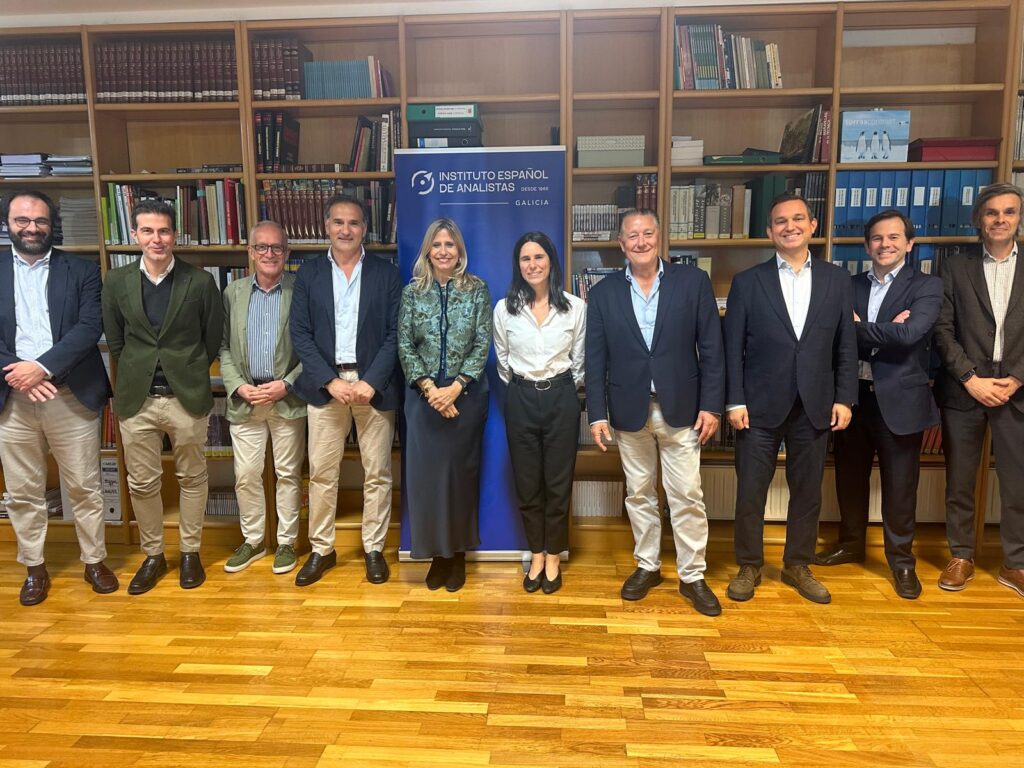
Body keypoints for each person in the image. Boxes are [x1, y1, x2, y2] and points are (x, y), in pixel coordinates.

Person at [585, 208, 725, 616]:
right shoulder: (604, 293)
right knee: (639, 493)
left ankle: (692, 575)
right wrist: (597, 414)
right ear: (621, 243)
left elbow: (712, 349)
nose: (641, 241)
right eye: (632, 235)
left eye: (647, 233)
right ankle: (647, 565)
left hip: (682, 409)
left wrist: (712, 405)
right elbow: (595, 358)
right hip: (629, 410)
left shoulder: (692, 282)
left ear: (659, 237)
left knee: (686, 494)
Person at [724, 192, 857, 605]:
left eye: (798, 219)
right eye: (781, 221)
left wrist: (845, 398)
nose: (790, 227)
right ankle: (749, 564)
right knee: (750, 491)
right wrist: (734, 400)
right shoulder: (748, 282)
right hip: (757, 406)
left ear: (812, 225)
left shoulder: (837, 280)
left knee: (808, 491)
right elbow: (732, 348)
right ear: (770, 231)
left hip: (815, 404)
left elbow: (845, 345)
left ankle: (797, 564)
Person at [816, 209, 941, 600]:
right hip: (852, 397)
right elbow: (833, 337)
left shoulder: (927, 286)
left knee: (900, 486)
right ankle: (851, 545)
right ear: (867, 245)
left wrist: (858, 328)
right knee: (849, 478)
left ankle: (901, 562)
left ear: (909, 244)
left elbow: (910, 334)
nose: (885, 244)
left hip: (900, 400)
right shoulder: (847, 284)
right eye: (877, 238)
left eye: (893, 237)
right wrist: (886, 330)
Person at [101, 198, 224, 594]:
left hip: (185, 397)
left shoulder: (199, 282)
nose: (157, 239)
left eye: (164, 231)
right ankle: (153, 555)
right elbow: (116, 342)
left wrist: (187, 369)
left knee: (193, 476)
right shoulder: (116, 282)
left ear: (175, 235)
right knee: (142, 483)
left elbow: (211, 338)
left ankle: (190, 553)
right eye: (148, 231)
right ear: (135, 234)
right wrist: (139, 370)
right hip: (136, 399)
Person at [0, 190, 116, 605]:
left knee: (84, 486)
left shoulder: (82, 270)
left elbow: (89, 328)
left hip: (68, 394)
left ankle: (94, 561)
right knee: (22, 491)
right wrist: (21, 374)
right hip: (12, 397)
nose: (32, 228)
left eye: (40, 221)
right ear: (8, 223)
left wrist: (42, 368)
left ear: (52, 225)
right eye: (22, 220)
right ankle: (34, 568)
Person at [290, 194, 401, 587]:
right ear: (326, 226)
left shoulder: (387, 274)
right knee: (322, 473)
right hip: (326, 388)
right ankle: (322, 549)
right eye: (338, 222)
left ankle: (374, 548)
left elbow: (395, 333)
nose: (346, 230)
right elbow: (300, 334)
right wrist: (329, 380)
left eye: (354, 223)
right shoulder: (309, 273)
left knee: (378, 473)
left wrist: (372, 380)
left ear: (364, 228)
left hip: (374, 388)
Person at [933, 182, 1024, 598]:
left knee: (1017, 482)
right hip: (964, 390)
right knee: (960, 480)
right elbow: (942, 329)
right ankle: (961, 556)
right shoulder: (955, 266)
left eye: (1009, 212)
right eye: (992, 212)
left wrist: (1017, 377)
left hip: (1016, 391)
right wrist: (970, 378)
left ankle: (1015, 562)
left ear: (1018, 218)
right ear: (978, 219)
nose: (1000, 219)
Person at [398, 217, 492, 593]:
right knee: (428, 482)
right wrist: (429, 389)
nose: (443, 251)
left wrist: (454, 388)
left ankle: (457, 556)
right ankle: (437, 556)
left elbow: (482, 342)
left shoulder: (476, 289)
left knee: (459, 480)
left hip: (464, 398)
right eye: (436, 245)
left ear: (459, 250)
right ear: (427, 251)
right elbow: (404, 343)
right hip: (422, 400)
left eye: (449, 245)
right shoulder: (412, 292)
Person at [494, 231, 585, 594]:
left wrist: (559, 386)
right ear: (518, 265)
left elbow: (580, 361)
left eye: (539, 257)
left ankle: (554, 557)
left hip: (562, 396)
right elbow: (502, 361)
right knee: (528, 483)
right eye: (525, 259)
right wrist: (525, 386)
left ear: (551, 262)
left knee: (558, 484)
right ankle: (536, 554)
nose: (532, 265)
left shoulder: (575, 307)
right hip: (520, 397)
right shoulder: (504, 309)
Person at [219, 221, 306, 575]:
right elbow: (223, 347)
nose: (270, 254)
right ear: (250, 252)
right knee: (246, 474)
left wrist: (288, 383)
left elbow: (313, 347)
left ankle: (286, 542)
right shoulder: (233, 293)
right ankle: (253, 540)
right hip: (247, 398)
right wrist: (239, 385)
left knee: (289, 474)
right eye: (262, 247)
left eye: (277, 247)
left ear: (287, 252)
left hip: (287, 397)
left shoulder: (301, 291)